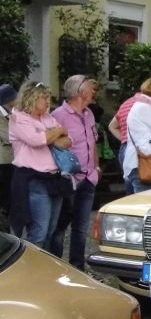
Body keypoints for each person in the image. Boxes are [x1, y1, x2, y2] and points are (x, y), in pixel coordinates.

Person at [8, 81, 72, 247]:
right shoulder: (19, 118)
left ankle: (45, 262)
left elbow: (68, 141)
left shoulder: (47, 117)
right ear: (32, 98)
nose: (47, 101)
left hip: (54, 177)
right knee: (39, 232)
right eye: (44, 98)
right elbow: (37, 140)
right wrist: (57, 132)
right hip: (33, 178)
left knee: (51, 230)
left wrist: (49, 137)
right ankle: (28, 262)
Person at [48, 75, 100, 270]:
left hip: (88, 178)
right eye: (91, 89)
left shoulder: (89, 114)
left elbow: (93, 143)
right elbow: (52, 147)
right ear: (80, 92)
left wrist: (96, 168)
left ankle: (77, 268)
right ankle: (55, 268)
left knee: (81, 228)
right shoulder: (58, 115)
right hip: (69, 179)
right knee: (60, 226)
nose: (94, 92)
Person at [109, 77, 151, 194]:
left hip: (125, 150)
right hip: (141, 151)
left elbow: (112, 126)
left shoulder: (126, 103)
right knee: (145, 190)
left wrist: (125, 140)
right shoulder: (148, 105)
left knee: (131, 189)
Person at [0, 84, 18, 232]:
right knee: (4, 200)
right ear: (8, 99)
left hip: (11, 162)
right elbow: (8, 137)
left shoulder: (11, 114)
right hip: (2, 163)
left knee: (9, 201)